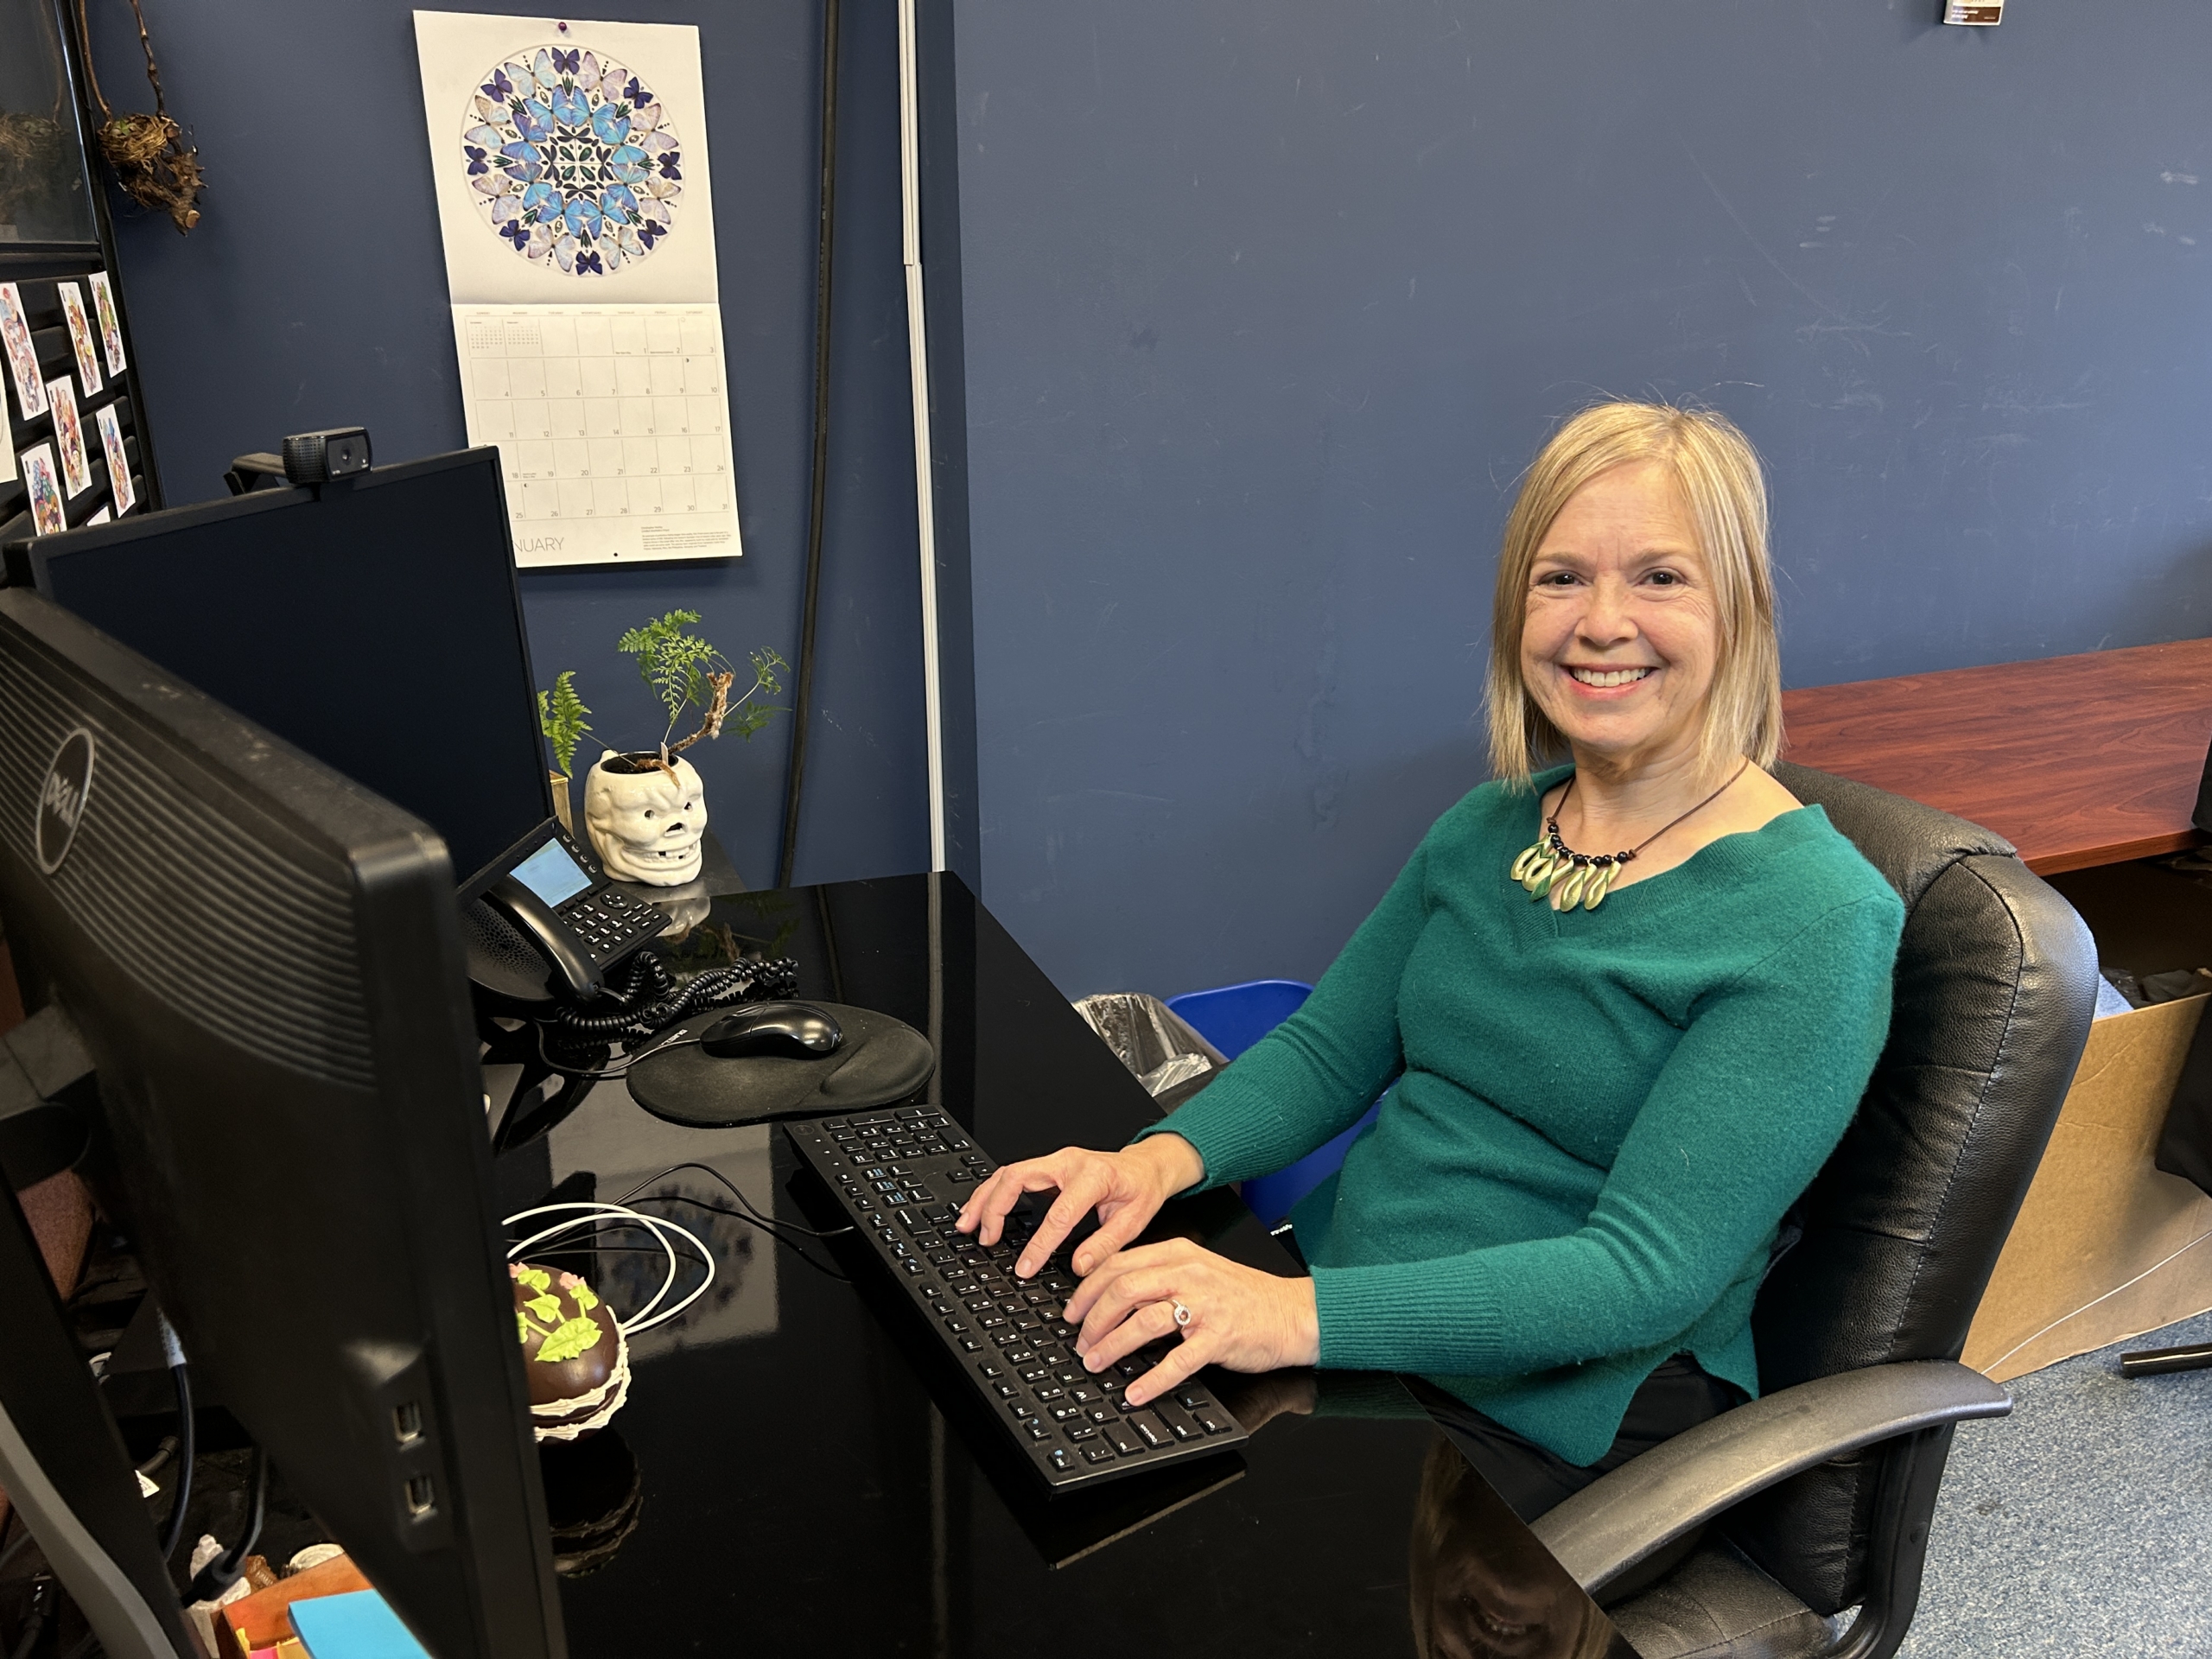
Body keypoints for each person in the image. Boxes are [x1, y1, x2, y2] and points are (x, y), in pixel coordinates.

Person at [957, 400, 1905, 1521]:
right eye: (1560, 579)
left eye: (1660, 578)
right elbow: (1325, 1053)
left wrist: (1286, 1319)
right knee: (1020, 1433)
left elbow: (1640, 1276)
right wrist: (1151, 1167)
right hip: (1347, 1312)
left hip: (1553, 1409)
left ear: (1741, 610)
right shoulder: (1491, 826)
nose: (1602, 622)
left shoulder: (1817, 921)